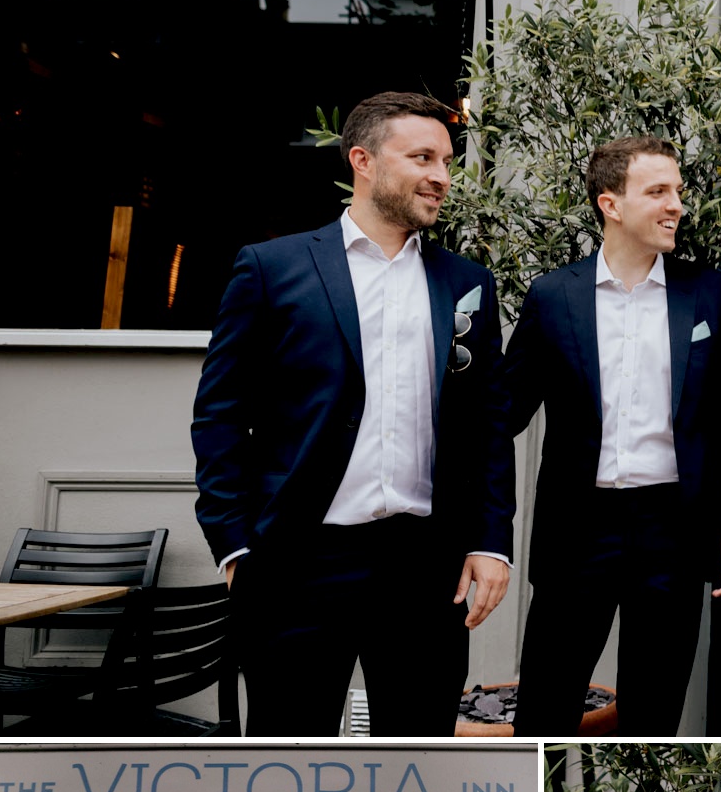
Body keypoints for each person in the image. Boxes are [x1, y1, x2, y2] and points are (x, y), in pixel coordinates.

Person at [192, 89, 515, 736]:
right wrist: (233, 545)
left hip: (426, 566)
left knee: (419, 755)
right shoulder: (272, 268)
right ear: (363, 160)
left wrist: (490, 542)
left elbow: (486, 422)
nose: (442, 176)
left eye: (448, 160)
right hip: (299, 560)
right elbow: (220, 413)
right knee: (289, 750)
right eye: (422, 156)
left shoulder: (466, 283)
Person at [503, 135, 721, 736]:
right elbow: (501, 414)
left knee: (654, 711)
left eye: (678, 191)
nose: (677, 205)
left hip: (674, 528)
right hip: (577, 528)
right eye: (658, 192)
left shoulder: (708, 295)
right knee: (545, 706)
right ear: (610, 204)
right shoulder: (553, 296)